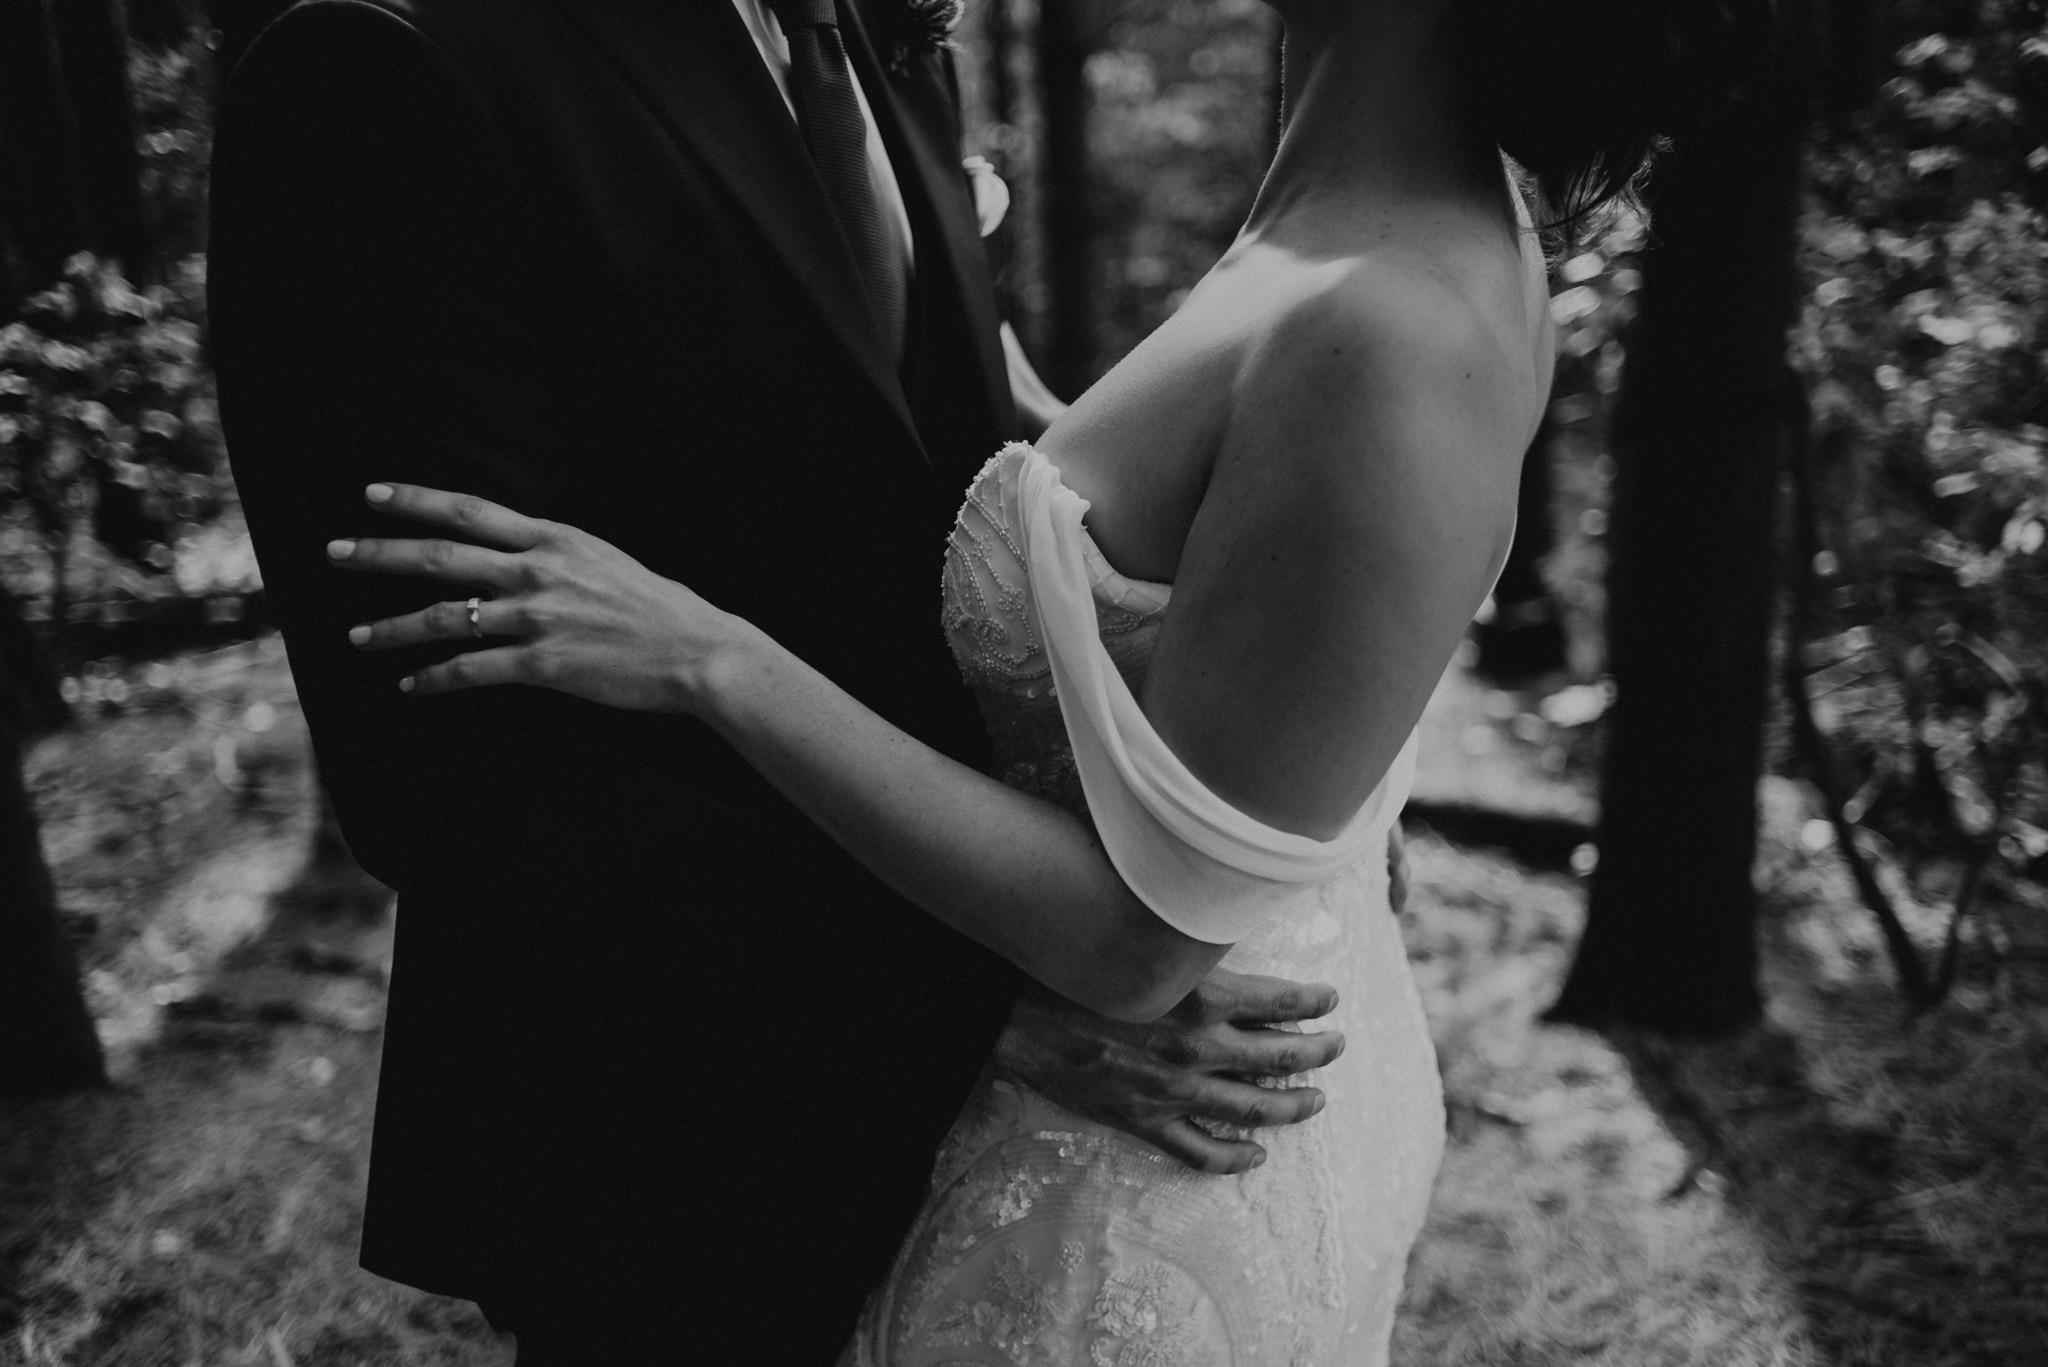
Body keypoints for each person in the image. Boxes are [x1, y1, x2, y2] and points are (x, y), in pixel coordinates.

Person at [323, 0, 1712, 1355]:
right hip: (975, 1126)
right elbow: (1187, 538)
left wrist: (707, 654)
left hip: (1151, 1162)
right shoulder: (1347, 214)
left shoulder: (1386, 317)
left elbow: (1138, 945)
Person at [207, 0, 1367, 1360]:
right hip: (680, 1140)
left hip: (1021, 1178)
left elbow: (941, 511)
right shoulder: (386, 67)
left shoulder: (879, 45)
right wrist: (992, 1002)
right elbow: (448, 776)